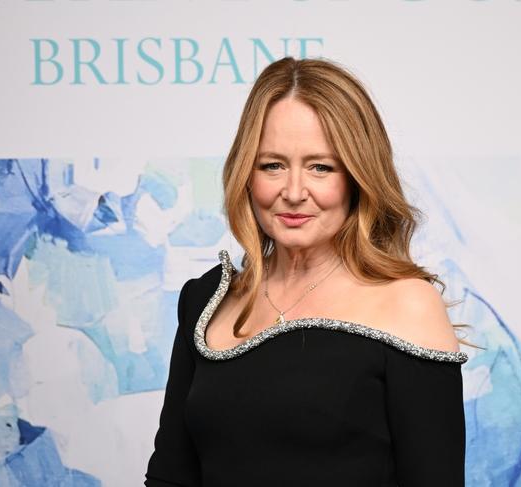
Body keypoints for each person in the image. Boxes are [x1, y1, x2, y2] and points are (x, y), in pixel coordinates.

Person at [144, 56, 470, 487]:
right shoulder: (206, 299)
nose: (294, 192)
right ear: (246, 173)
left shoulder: (407, 303)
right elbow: (170, 478)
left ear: (357, 176)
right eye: (272, 165)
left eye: (321, 167)